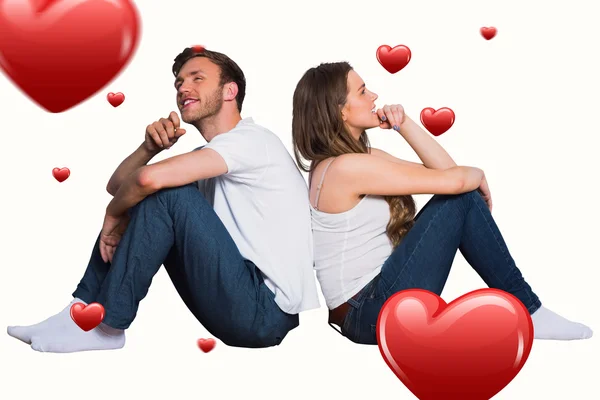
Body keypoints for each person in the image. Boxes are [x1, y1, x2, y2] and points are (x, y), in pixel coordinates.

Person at [7, 47, 320, 353]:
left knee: (166, 191)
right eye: (179, 83)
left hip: (263, 310)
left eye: (197, 78)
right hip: (242, 303)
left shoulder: (253, 141)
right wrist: (149, 149)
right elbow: (120, 186)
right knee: (152, 191)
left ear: (229, 91)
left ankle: (108, 327)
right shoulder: (215, 156)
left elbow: (145, 181)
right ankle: (81, 312)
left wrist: (111, 217)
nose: (183, 87)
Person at [291, 61, 593, 344]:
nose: (375, 96)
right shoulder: (346, 169)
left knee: (461, 195)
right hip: (368, 311)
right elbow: (457, 181)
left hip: (366, 307)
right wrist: (479, 174)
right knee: (461, 198)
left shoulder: (353, 162)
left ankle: (527, 309)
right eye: (362, 91)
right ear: (340, 110)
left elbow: (448, 172)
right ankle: (528, 309)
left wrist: (404, 124)